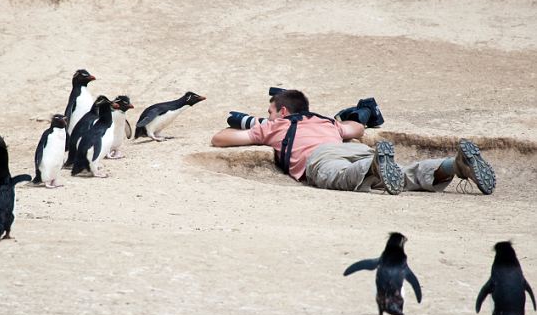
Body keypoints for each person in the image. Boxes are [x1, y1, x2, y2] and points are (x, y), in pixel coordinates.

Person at [211, 89, 496, 195]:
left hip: (320, 157)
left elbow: (220, 139)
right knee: (403, 175)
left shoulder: (277, 125)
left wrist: (259, 126)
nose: (267, 116)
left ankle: (374, 166)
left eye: (270, 111)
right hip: (354, 148)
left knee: (338, 176)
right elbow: (356, 128)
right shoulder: (325, 121)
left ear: (283, 112)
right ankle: (454, 165)